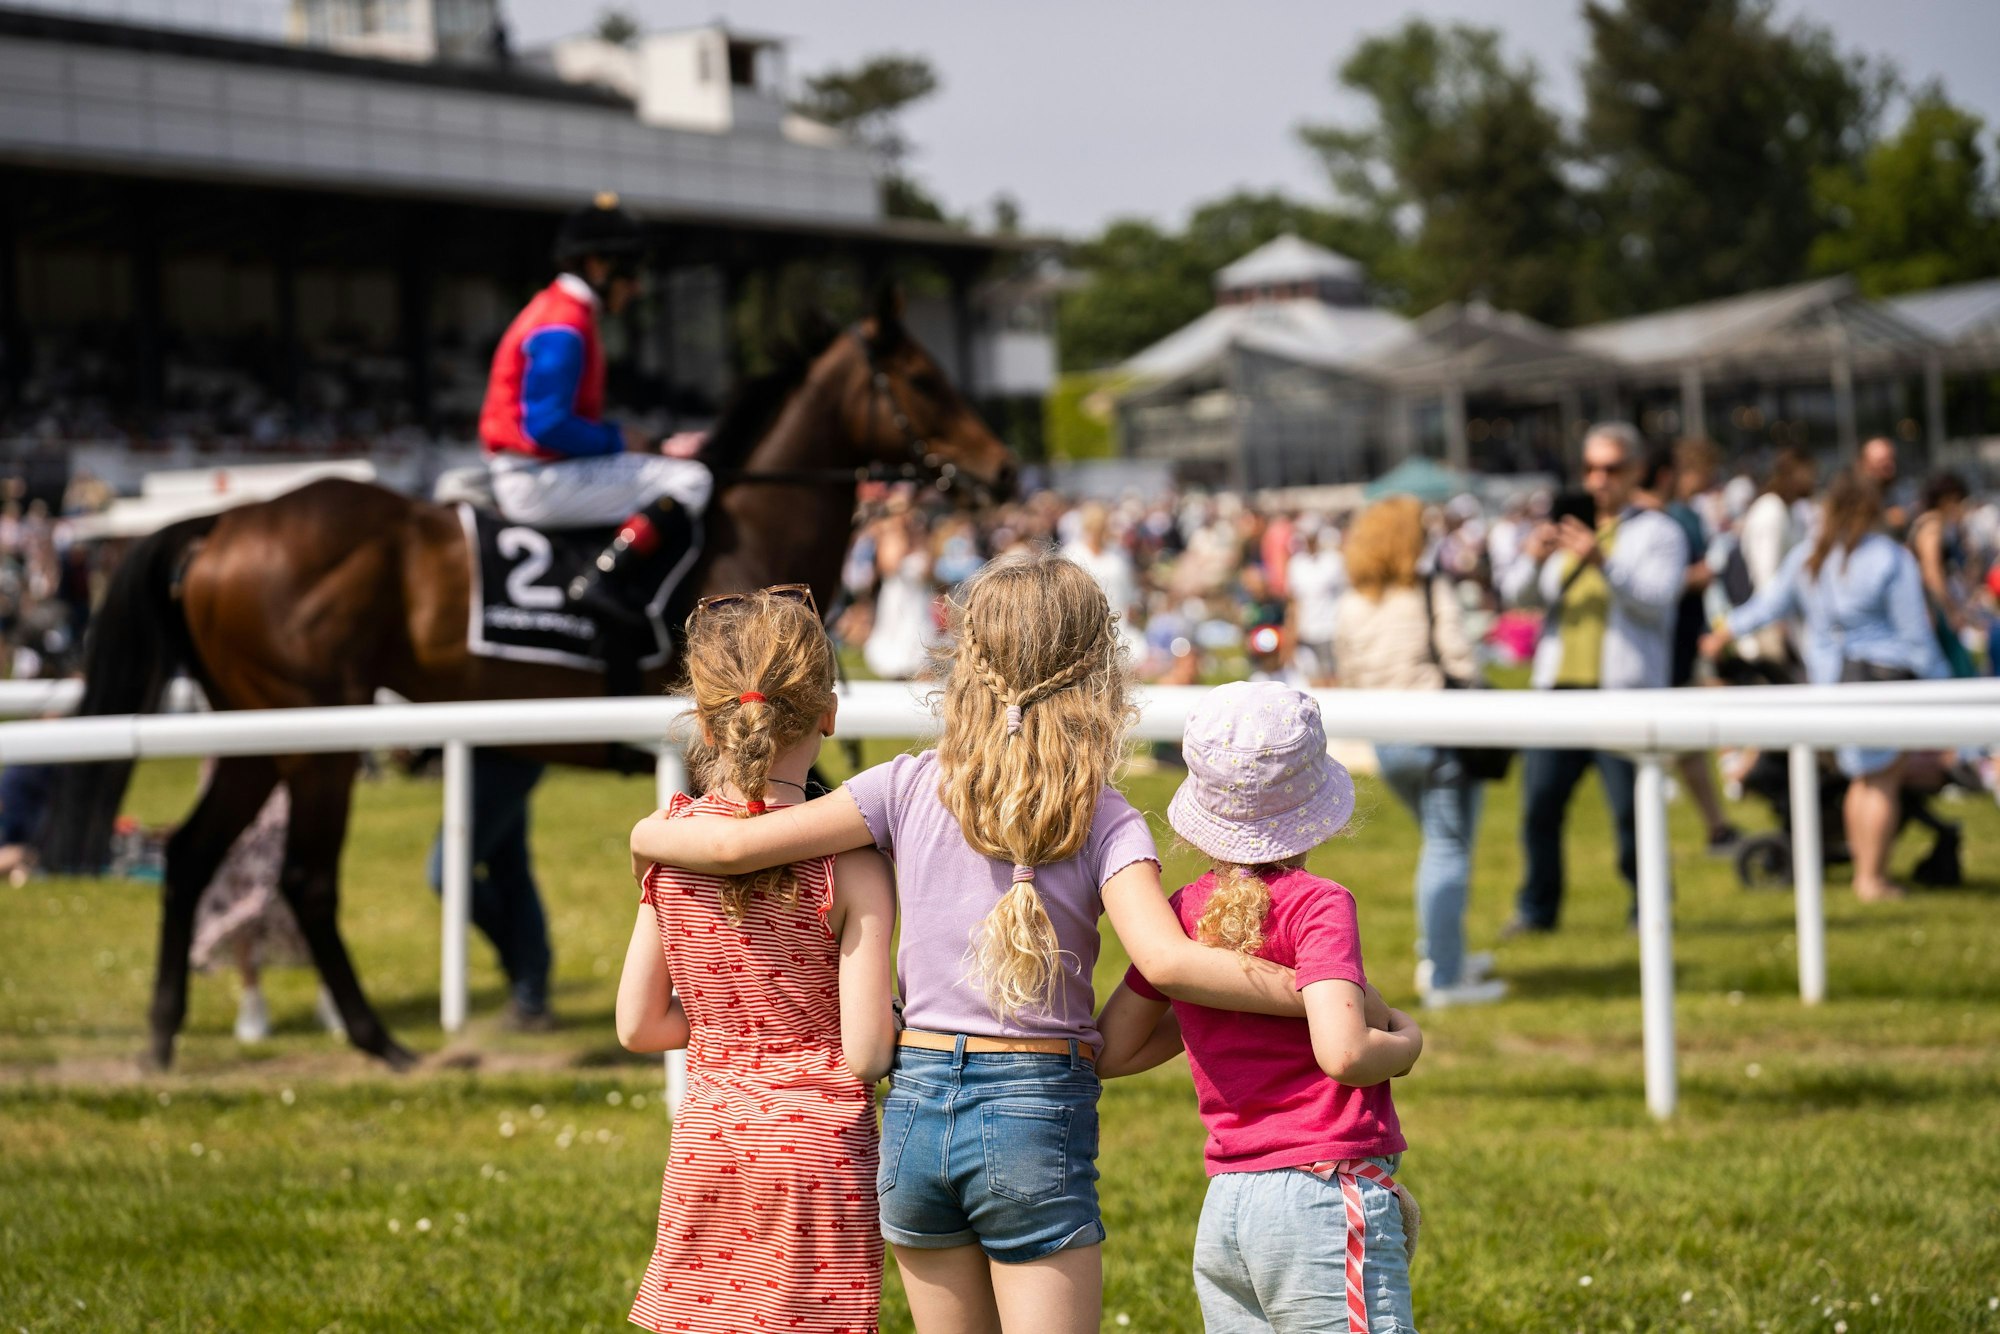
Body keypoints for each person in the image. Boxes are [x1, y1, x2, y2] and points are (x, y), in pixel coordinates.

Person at [630, 548, 1308, 1334]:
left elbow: (736, 847)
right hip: (1033, 1110)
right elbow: (1163, 962)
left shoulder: (906, 784)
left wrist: (651, 831)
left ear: (965, 663)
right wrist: (1316, 995)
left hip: (916, 1110)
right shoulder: (1105, 814)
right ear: (1099, 674)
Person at [1094, 680, 1425, 1334]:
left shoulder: (1183, 915)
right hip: (1323, 1193)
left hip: (1230, 1208)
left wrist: (1205, 1011)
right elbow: (1346, 1052)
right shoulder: (1318, 904)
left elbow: (1115, 1047)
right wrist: (1407, 1042)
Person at [616, 584, 898, 1334]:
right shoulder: (853, 866)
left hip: (711, 1135)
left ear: (705, 721)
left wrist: (726, 1035)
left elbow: (638, 1026)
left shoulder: (669, 848)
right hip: (820, 1148)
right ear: (829, 714)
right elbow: (867, 1051)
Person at [477, 193, 714, 669]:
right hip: (535, 478)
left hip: (536, 471)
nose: (637, 286)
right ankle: (604, 578)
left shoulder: (560, 311)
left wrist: (628, 439)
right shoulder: (563, 323)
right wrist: (617, 439)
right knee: (692, 480)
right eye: (630, 270)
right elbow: (543, 426)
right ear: (597, 265)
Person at [1704, 470, 1948, 902]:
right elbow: (1916, 636)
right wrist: (1946, 687)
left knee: (1861, 779)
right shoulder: (1888, 557)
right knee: (1881, 782)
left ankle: (1865, 872)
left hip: (1831, 683)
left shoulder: (1809, 556)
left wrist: (1723, 631)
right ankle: (1871, 878)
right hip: (1884, 683)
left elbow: (1764, 605)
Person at [1499, 422, 1688, 933]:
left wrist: (1603, 562)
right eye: (1589, 468)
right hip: (1557, 691)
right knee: (1539, 808)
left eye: (1611, 468)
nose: (1598, 479)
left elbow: (1657, 600)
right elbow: (1518, 599)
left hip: (1621, 694)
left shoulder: (1659, 533)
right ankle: (1537, 910)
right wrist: (1534, 559)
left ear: (1636, 472)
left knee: (1633, 811)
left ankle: (1649, 909)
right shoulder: (1564, 528)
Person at [1333, 496, 1504, 1008]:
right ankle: (1446, 976)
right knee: (1448, 852)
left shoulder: (1351, 603)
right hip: (1438, 736)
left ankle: (1445, 951)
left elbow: (1348, 674)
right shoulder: (1429, 591)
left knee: (1439, 846)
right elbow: (1462, 662)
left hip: (1388, 743)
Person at [187, 778, 344, 1044]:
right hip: (235, 769)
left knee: (310, 875)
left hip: (296, 768)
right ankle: (251, 998)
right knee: (239, 885)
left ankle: (333, 991)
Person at [1645, 442, 1742, 854]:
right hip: (1673, 638)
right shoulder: (1671, 517)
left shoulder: (1680, 514)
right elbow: (1664, 582)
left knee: (1683, 735)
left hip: (1678, 636)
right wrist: (1691, 577)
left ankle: (1717, 824)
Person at [424, 751, 555, 1030]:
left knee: (447, 873)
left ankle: (529, 976)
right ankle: (530, 991)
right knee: (510, 872)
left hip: (504, 752)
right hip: (489, 753)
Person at [1732, 446, 1817, 670]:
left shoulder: (1791, 511)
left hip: (1786, 620)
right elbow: (1765, 575)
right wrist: (1776, 621)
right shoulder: (1770, 510)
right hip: (1771, 624)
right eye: (1809, 474)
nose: (1813, 480)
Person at [1909, 472, 1978, 677]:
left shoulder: (1931, 523)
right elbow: (1932, 573)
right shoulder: (1932, 525)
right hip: (1935, 609)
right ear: (1948, 498)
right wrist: (1950, 611)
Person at [1286, 520, 1347, 686]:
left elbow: (1345, 593)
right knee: (1311, 679)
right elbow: (1294, 601)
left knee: (1332, 677)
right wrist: (1292, 632)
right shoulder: (1296, 564)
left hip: (1329, 629)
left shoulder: (1334, 560)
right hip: (1306, 631)